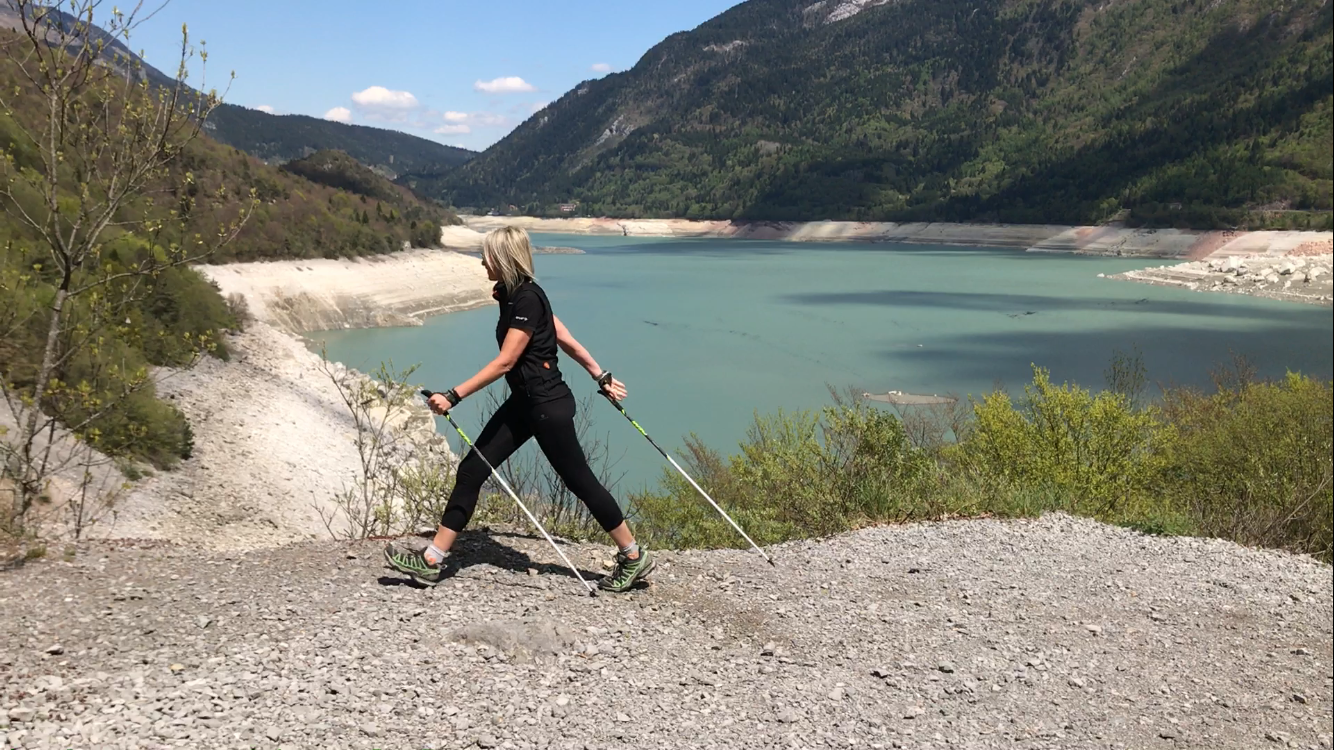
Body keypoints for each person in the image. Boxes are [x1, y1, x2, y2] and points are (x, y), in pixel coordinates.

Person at [383, 226, 655, 593]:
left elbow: (506, 362)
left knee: (580, 480)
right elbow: (562, 336)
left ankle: (633, 555)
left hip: (547, 405)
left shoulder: (527, 298)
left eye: (488, 255)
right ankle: (432, 560)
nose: (482, 261)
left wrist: (453, 395)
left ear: (504, 258)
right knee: (471, 470)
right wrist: (598, 373)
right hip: (526, 403)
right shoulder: (512, 295)